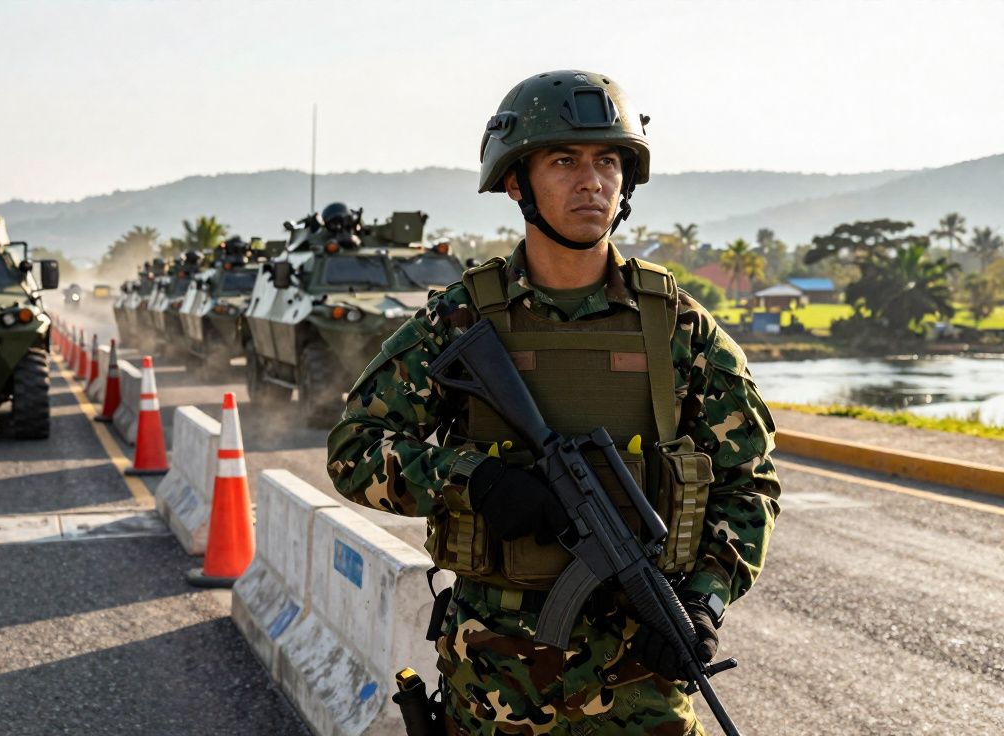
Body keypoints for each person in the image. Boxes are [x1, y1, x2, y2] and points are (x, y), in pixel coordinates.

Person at [326, 69, 781, 735]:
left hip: (640, 688)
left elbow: (750, 484)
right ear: (516, 182)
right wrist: (472, 481)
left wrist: (705, 602)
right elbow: (355, 452)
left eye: (607, 162)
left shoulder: (680, 329)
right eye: (564, 160)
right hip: (494, 682)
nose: (590, 181)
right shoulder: (459, 322)